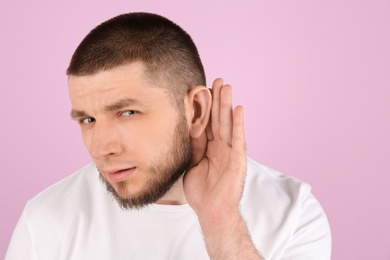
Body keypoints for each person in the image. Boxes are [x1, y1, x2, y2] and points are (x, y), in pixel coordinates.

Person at [6, 12, 331, 259]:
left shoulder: (292, 213)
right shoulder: (47, 222)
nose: (100, 147)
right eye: (88, 119)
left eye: (127, 112)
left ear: (197, 111)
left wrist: (220, 221)